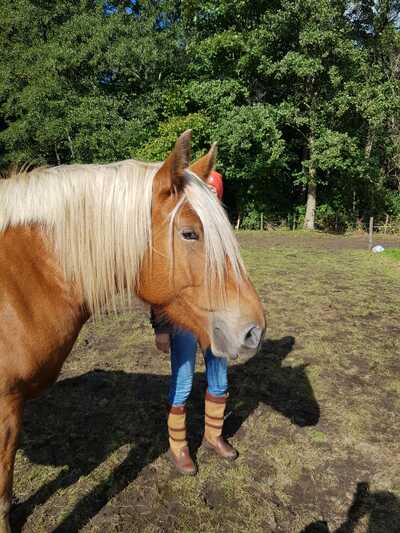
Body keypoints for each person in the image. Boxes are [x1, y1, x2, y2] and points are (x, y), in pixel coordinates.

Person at [151, 170, 237, 476]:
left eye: (214, 196)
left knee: (219, 378)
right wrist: (161, 327)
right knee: (183, 381)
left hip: (216, 319)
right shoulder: (181, 229)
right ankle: (179, 445)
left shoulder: (222, 233)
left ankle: (213, 435)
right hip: (185, 318)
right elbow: (161, 278)